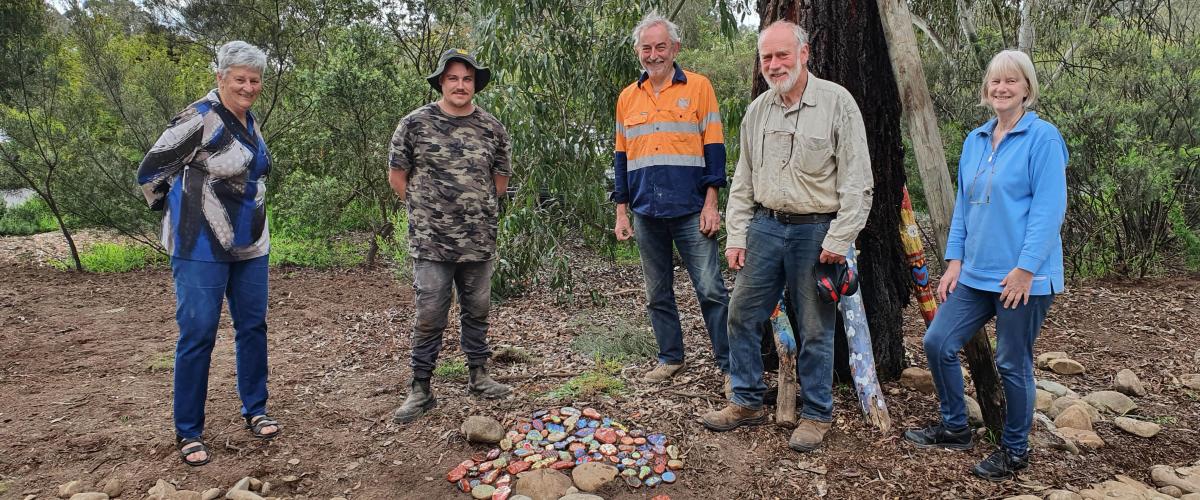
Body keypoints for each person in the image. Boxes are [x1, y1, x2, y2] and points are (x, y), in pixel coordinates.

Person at [699, 21, 873, 455]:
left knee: (815, 328)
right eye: (767, 58)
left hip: (817, 231)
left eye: (781, 55)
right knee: (739, 314)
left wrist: (840, 236)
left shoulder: (836, 103)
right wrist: (736, 235)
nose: (774, 65)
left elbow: (858, 180)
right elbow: (743, 179)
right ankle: (746, 400)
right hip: (764, 227)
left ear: (804, 53)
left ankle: (816, 414)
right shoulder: (758, 110)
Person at [903, 49, 1067, 481]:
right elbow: (963, 208)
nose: (1002, 88)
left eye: (1011, 81)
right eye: (995, 81)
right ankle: (955, 426)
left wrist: (1027, 268)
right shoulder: (975, 141)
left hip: (1022, 279)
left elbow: (1049, 211)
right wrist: (954, 260)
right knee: (938, 341)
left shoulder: (1043, 138)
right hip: (975, 274)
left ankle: (1015, 451)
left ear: (1027, 89)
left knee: (1012, 363)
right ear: (986, 89)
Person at [137, 41, 279, 466]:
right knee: (198, 333)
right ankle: (189, 431)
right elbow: (150, 172)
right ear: (221, 78)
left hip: (251, 242)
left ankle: (255, 408)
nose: (248, 86)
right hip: (198, 245)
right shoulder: (198, 118)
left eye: (254, 80)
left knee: (253, 326)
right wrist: (181, 210)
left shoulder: (249, 120)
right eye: (240, 78)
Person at [389, 49, 513, 423]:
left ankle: (479, 377)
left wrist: (473, 209)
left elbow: (500, 183)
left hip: (478, 239)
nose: (461, 85)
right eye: (453, 78)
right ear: (441, 82)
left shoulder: (492, 127)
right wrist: (429, 211)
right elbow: (399, 178)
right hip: (431, 241)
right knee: (429, 315)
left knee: (477, 311)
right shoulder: (414, 124)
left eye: (467, 79)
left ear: (474, 85)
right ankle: (420, 388)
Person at [612, 12, 731, 392]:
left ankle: (730, 367)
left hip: (692, 209)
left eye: (660, 46)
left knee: (711, 289)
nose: (653, 54)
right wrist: (621, 211)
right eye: (646, 48)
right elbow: (621, 158)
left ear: (675, 48)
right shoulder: (627, 98)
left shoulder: (699, 87)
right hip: (646, 211)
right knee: (656, 293)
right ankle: (670, 357)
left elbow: (714, 148)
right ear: (637, 52)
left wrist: (712, 202)